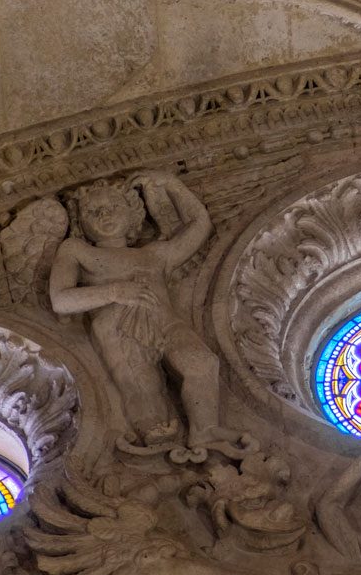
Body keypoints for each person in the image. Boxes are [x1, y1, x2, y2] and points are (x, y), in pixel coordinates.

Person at [49, 171, 232, 449]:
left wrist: (171, 184)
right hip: (118, 328)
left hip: (165, 322)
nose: (104, 216)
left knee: (202, 363)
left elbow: (199, 224)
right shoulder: (77, 250)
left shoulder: (154, 254)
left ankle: (204, 430)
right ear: (80, 221)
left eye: (113, 208)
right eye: (93, 211)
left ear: (133, 212)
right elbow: (61, 300)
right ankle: (153, 434)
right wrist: (114, 292)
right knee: (141, 385)